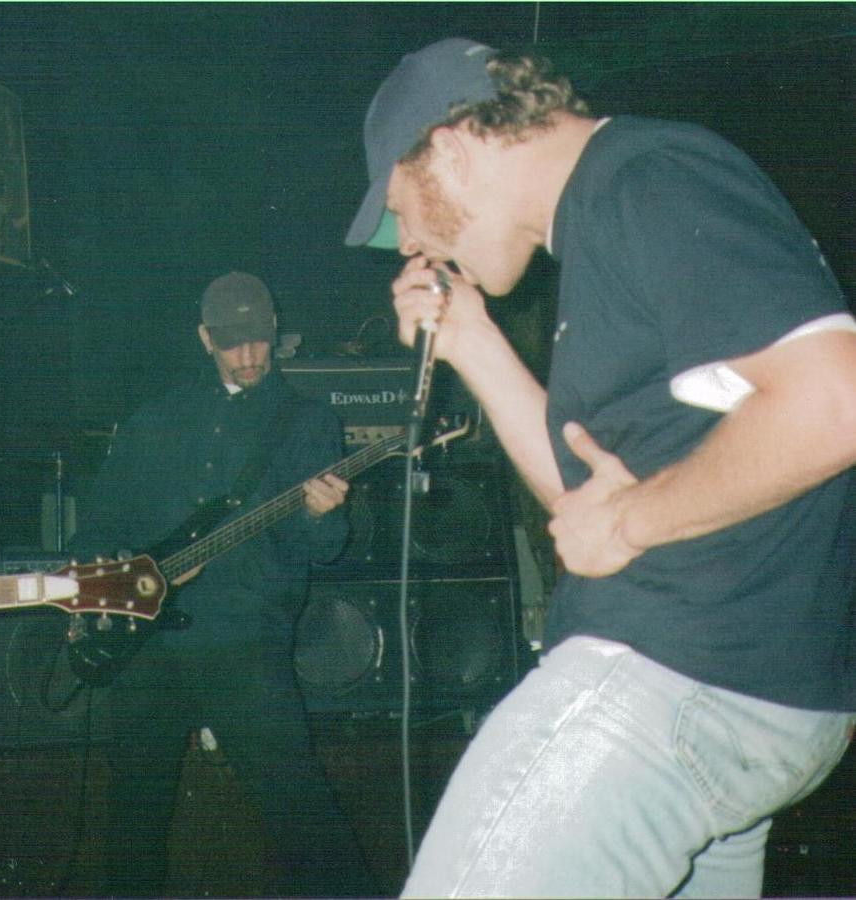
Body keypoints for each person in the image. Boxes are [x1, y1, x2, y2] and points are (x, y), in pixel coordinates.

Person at [346, 37, 856, 898]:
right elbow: (582, 509)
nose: (410, 247)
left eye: (402, 213)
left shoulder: (643, 174)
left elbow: (835, 401)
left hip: (669, 678)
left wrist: (627, 519)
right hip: (750, 695)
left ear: (453, 152)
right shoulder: (604, 220)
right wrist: (469, 338)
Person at [69, 271, 377, 898]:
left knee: (303, 816)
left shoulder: (306, 422)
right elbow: (100, 523)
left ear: (275, 332)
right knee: (132, 822)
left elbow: (323, 550)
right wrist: (96, 596)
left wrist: (324, 516)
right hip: (148, 645)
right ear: (206, 338)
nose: (249, 355)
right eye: (233, 342)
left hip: (245, 641)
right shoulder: (158, 418)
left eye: (259, 339)